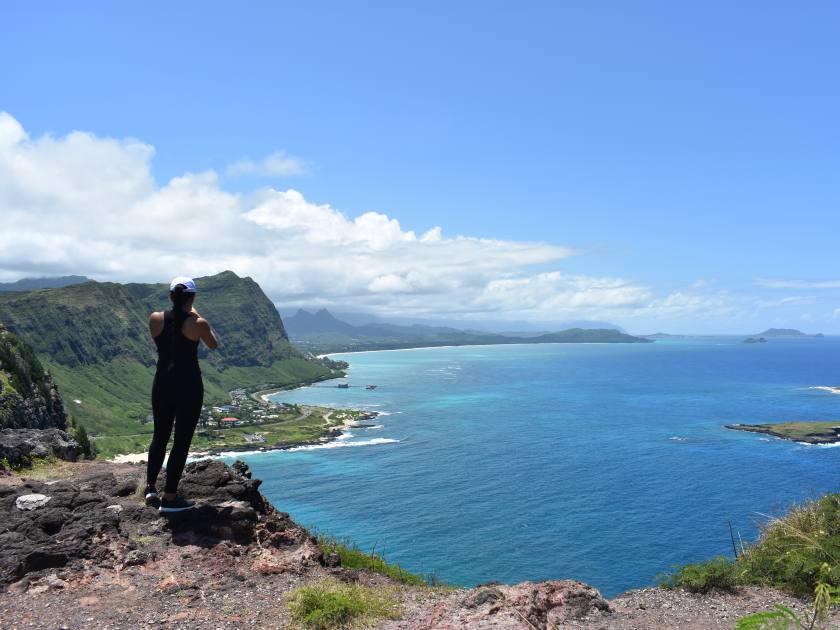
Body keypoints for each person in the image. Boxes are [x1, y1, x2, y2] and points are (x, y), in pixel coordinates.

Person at [145, 276, 218, 512]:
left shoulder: (156, 319)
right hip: (188, 386)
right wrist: (195, 312)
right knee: (181, 441)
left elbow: (170, 329)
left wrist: (186, 308)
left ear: (170, 296)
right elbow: (213, 344)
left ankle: (150, 488)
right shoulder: (198, 324)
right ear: (193, 298)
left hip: (162, 383)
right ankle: (170, 499)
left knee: (160, 436)